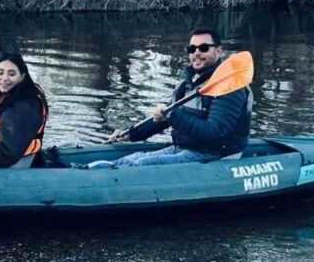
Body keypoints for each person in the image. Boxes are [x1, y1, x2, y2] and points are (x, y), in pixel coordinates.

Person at [89, 28, 252, 168]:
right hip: (184, 147)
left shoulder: (230, 87)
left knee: (140, 165)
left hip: (213, 154)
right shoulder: (189, 82)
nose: (196, 53)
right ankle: (79, 170)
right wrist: (132, 134)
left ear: (218, 51)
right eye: (192, 48)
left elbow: (215, 134)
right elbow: (164, 118)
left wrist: (173, 115)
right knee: (132, 159)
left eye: (203, 48)